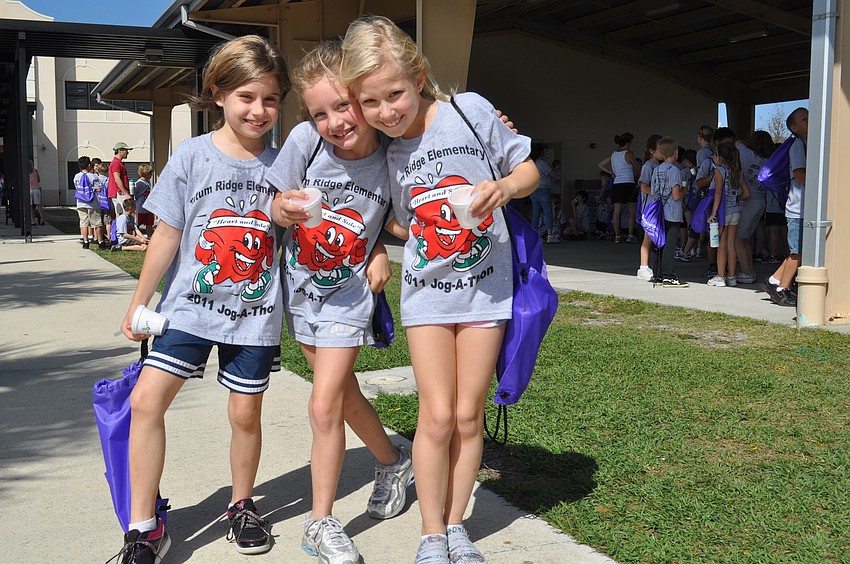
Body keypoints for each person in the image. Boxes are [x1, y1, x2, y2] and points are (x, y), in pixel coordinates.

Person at [341, 15, 540, 563]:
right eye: (370, 102)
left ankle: (456, 527)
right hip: (426, 294)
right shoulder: (383, 150)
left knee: (468, 416)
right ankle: (431, 534)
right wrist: (396, 235)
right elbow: (391, 217)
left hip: (486, 290)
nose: (387, 112)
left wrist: (504, 187)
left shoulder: (469, 111)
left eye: (394, 95)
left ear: (419, 76)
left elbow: (528, 171)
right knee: (436, 416)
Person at [110, 35, 290, 564]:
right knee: (145, 401)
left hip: (254, 312)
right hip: (188, 307)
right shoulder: (190, 156)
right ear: (218, 94)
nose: (258, 110)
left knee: (245, 413)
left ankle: (242, 506)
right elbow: (167, 234)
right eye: (246, 97)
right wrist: (140, 302)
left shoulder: (286, 164)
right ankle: (144, 529)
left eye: (270, 99)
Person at [266, 40, 413, 564]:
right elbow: (275, 201)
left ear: (362, 97)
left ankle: (319, 522)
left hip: (350, 298)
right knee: (344, 396)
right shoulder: (306, 142)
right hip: (302, 292)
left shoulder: (393, 155)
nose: (333, 122)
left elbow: (398, 219)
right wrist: (284, 210)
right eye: (319, 113)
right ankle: (394, 460)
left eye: (342, 106)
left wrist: (379, 247)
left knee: (323, 403)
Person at [763, 107, 808, 306]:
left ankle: (774, 280)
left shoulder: (805, 144)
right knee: (797, 253)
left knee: (798, 251)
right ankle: (782, 289)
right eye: (804, 119)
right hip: (798, 208)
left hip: (802, 208)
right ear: (794, 127)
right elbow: (799, 174)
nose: (809, 121)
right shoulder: (798, 146)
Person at [707, 142, 750, 287]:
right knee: (731, 244)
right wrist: (736, 198)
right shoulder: (737, 171)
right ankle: (732, 276)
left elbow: (718, 192)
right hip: (735, 211)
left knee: (722, 244)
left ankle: (720, 276)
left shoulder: (719, 170)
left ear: (720, 157)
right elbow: (747, 193)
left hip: (723, 211)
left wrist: (713, 212)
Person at [735, 131, 774, 284]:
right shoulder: (770, 161)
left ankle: (746, 272)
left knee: (738, 238)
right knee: (745, 238)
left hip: (748, 201)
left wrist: (748, 142)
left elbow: (738, 142)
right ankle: (749, 271)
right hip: (761, 201)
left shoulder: (747, 154)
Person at [651, 137, 688, 287]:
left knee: (659, 243)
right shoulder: (674, 171)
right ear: (676, 152)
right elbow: (676, 195)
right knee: (670, 245)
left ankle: (657, 274)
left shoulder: (656, 170)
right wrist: (685, 191)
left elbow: (653, 192)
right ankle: (668, 275)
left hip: (659, 213)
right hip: (672, 213)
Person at [598, 132, 639, 243]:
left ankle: (617, 236)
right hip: (629, 183)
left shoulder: (614, 154)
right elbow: (637, 167)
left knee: (616, 211)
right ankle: (630, 235)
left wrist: (610, 172)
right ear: (628, 143)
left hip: (617, 184)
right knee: (631, 211)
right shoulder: (629, 154)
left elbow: (600, 164)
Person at [636, 134, 662, 282]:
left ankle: (652, 266)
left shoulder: (660, 166)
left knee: (655, 236)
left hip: (658, 206)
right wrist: (658, 193)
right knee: (648, 237)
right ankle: (643, 267)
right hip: (650, 208)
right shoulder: (648, 166)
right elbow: (643, 186)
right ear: (652, 150)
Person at [73, 156, 104, 249]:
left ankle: (85, 242)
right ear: (89, 165)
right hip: (92, 203)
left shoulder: (77, 176)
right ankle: (100, 242)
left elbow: (77, 187)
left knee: (83, 223)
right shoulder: (93, 176)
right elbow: (99, 189)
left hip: (80, 202)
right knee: (97, 223)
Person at [530, 143, 557, 243]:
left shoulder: (530, 163)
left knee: (536, 212)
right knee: (547, 212)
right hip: (543, 189)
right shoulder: (542, 163)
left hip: (533, 189)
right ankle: (549, 235)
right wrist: (553, 168)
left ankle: (533, 235)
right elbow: (552, 174)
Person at [109, 141, 132, 218]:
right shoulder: (116, 163)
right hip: (119, 193)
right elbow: (117, 179)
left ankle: (119, 226)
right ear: (120, 151)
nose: (127, 152)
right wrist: (126, 193)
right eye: (126, 150)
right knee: (126, 213)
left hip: (118, 192)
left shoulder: (118, 163)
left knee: (120, 214)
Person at [133, 164, 155, 235]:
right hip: (140, 208)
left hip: (148, 207)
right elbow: (135, 194)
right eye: (150, 173)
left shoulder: (148, 182)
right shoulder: (139, 184)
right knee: (137, 225)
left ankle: (149, 236)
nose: (151, 175)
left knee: (149, 224)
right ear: (145, 173)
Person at [29, 159, 45, 226]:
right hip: (36, 189)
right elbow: (38, 180)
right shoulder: (35, 171)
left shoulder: (26, 172)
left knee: (30, 206)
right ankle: (42, 219)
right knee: (39, 205)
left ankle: (33, 221)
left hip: (29, 190)